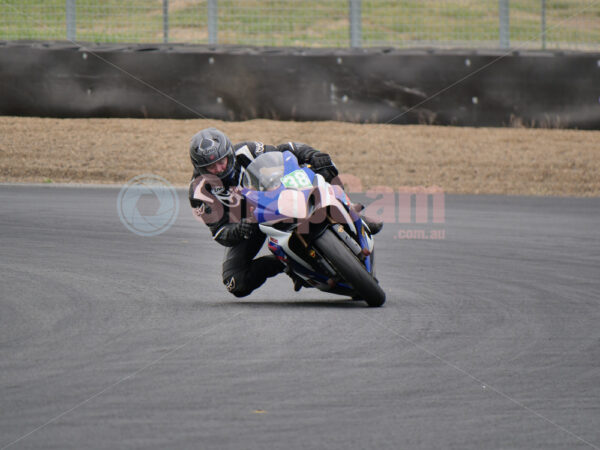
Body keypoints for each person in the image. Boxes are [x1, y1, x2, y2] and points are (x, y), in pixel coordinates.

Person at [188, 127, 381, 298]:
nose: (219, 168)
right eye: (211, 167)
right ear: (200, 168)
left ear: (230, 152)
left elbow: (285, 150)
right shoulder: (200, 192)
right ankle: (285, 263)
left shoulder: (246, 151)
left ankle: (354, 214)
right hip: (250, 222)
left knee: (321, 171)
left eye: (222, 161)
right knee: (235, 283)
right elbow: (220, 231)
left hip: (277, 195)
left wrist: (312, 154)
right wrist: (240, 228)